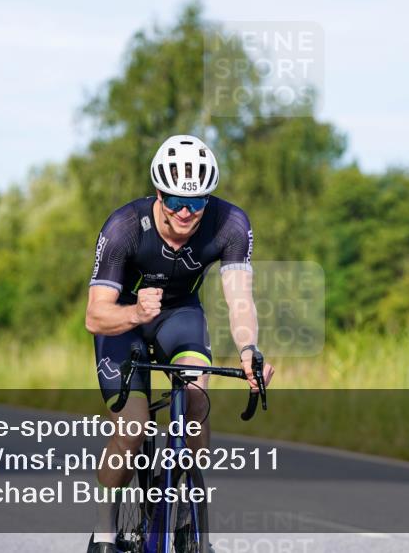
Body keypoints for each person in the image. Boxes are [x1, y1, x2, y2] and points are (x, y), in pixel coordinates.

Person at [84, 134, 274, 552]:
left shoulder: (230, 223)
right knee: (132, 428)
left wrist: (249, 350)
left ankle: (182, 504)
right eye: (176, 201)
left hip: (180, 317)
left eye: (198, 201)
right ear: (158, 193)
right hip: (123, 323)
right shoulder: (125, 227)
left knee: (195, 401)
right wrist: (134, 312)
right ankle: (104, 530)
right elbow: (95, 315)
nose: (187, 212)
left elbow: (240, 298)